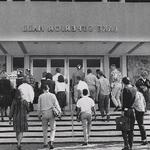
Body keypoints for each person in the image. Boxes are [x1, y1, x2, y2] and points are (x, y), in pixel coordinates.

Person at [37, 84, 61, 149]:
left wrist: (39, 114)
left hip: (44, 113)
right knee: (52, 128)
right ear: (49, 89)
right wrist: (59, 111)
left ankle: (45, 143)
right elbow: (56, 104)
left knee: (44, 129)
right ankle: (51, 141)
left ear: (43, 90)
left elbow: (39, 106)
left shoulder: (40, 96)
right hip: (51, 113)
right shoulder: (53, 95)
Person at [122, 77, 136, 150]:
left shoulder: (125, 89)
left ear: (124, 83)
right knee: (131, 129)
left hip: (126, 110)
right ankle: (130, 146)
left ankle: (126, 145)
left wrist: (123, 110)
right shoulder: (134, 89)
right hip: (132, 110)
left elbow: (124, 101)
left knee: (124, 129)